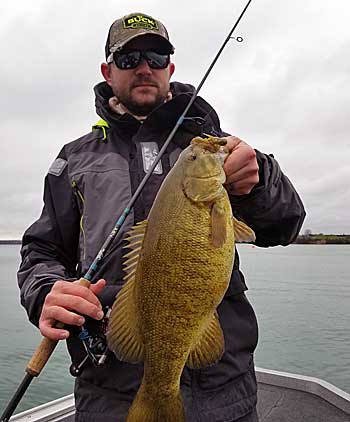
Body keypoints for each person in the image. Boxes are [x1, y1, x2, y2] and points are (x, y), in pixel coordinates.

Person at [18, 12, 306, 422]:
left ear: (170, 67)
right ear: (107, 70)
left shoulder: (217, 150)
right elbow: (41, 249)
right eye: (129, 57)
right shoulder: (74, 159)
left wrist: (258, 181)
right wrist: (47, 290)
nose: (144, 67)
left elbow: (287, 223)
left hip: (223, 388)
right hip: (108, 388)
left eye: (156, 55)